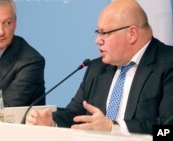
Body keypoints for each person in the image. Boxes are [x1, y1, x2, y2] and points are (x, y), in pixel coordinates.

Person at [26, 0, 173, 135]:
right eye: (98, 32)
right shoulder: (96, 68)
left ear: (132, 33)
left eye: (105, 33)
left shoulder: (168, 63)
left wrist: (113, 127)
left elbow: (167, 129)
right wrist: (53, 121)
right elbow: (76, 115)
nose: (97, 41)